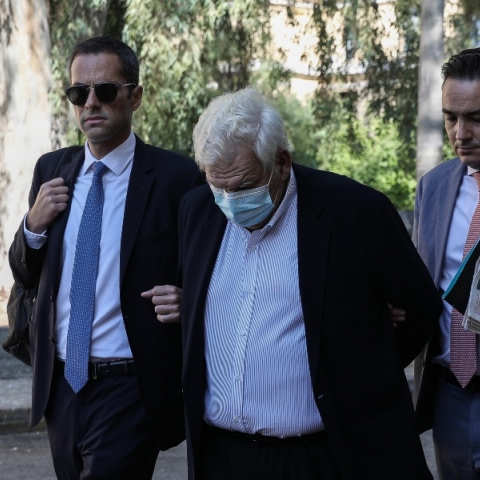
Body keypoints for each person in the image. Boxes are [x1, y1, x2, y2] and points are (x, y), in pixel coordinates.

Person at [148, 86, 442, 479]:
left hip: (324, 456)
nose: (229, 201)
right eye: (218, 186)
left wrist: (362, 361)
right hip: (223, 457)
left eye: (243, 187)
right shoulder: (197, 210)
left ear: (281, 162)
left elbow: (420, 307)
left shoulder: (356, 212)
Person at [8, 36, 200, 479]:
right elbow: (24, 273)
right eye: (79, 92)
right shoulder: (51, 170)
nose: (90, 103)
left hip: (130, 387)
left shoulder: (177, 178)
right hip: (61, 384)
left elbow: (209, 266)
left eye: (106, 90)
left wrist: (188, 298)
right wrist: (33, 225)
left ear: (135, 96)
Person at [413, 47, 480, 479]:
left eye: (476, 118)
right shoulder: (433, 187)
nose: (461, 133)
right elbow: (419, 283)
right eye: (451, 117)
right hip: (449, 394)